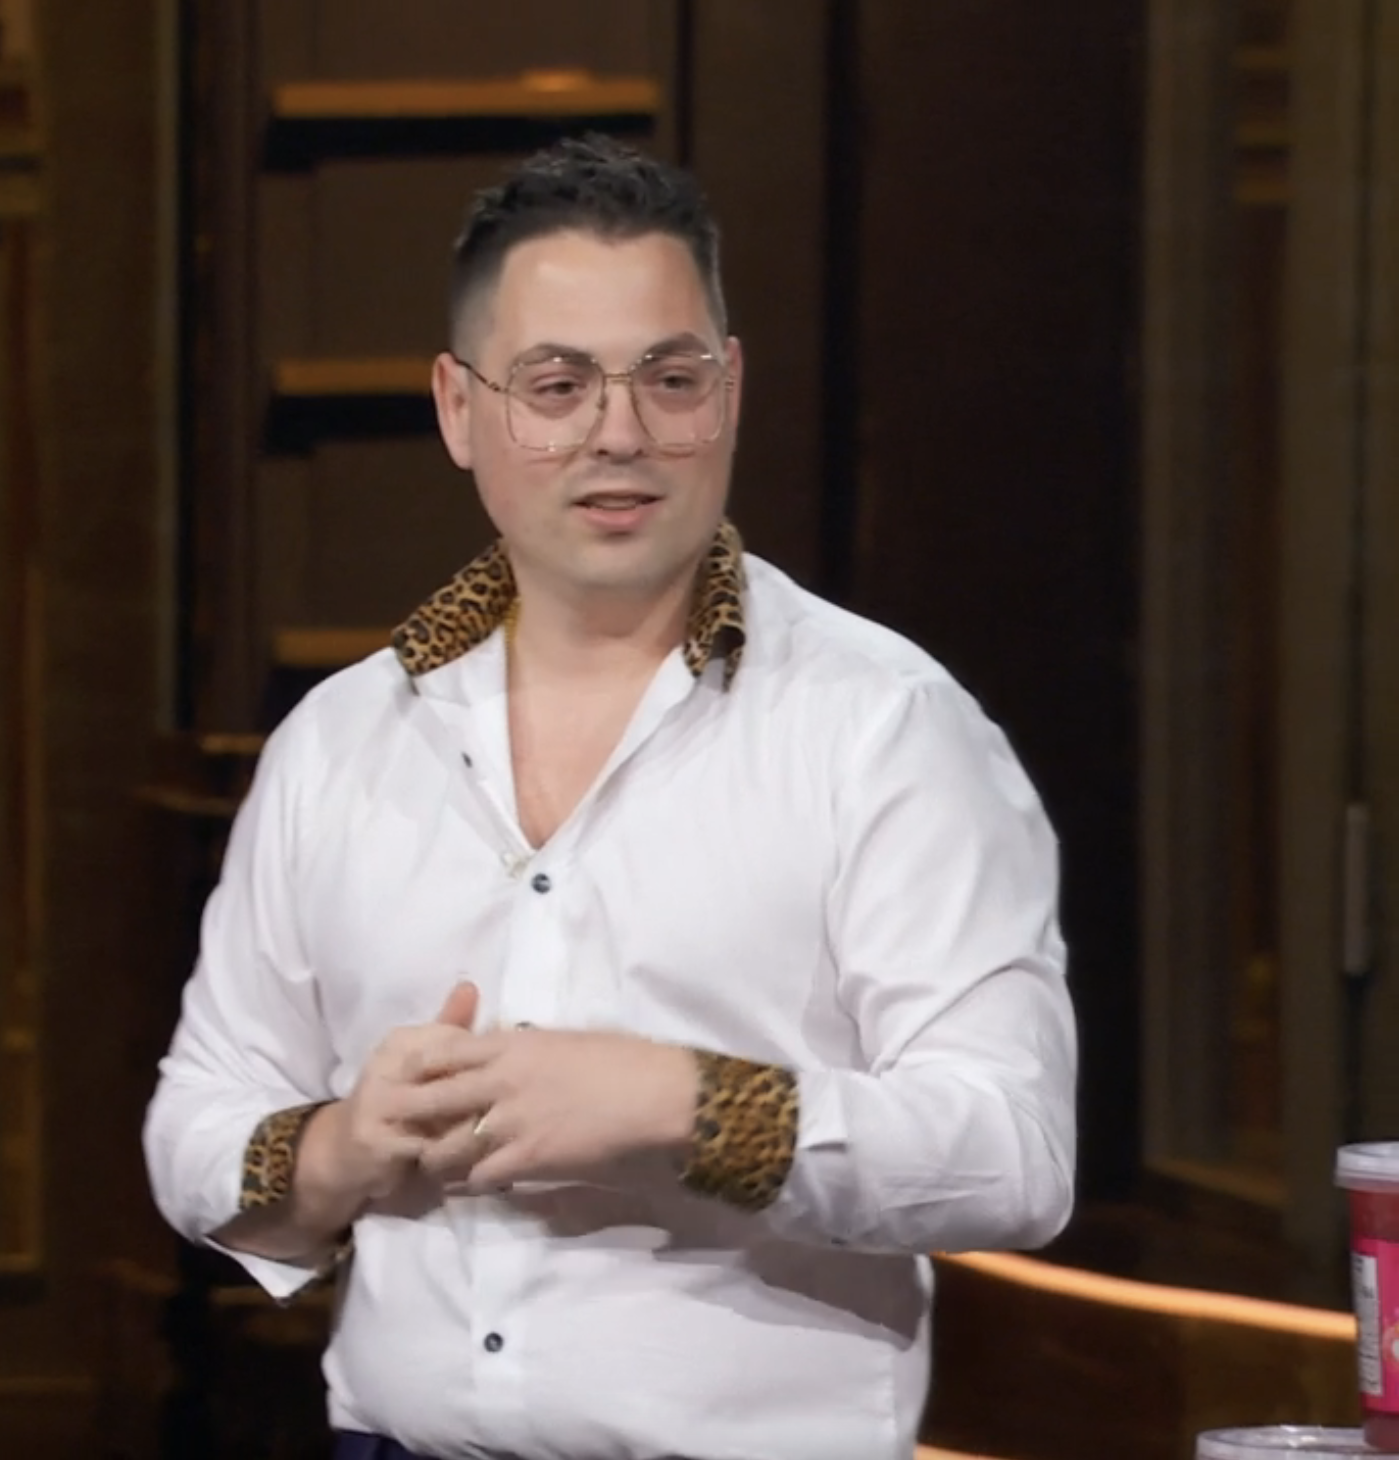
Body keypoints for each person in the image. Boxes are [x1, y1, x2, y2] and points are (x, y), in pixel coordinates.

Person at [144, 135, 1076, 1459]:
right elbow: (197, 1120)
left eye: (669, 378)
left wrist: (683, 1107)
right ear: (460, 409)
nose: (620, 433)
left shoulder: (884, 726)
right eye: (557, 385)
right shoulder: (343, 741)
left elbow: (1013, 1153)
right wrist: (345, 1149)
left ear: (731, 388)